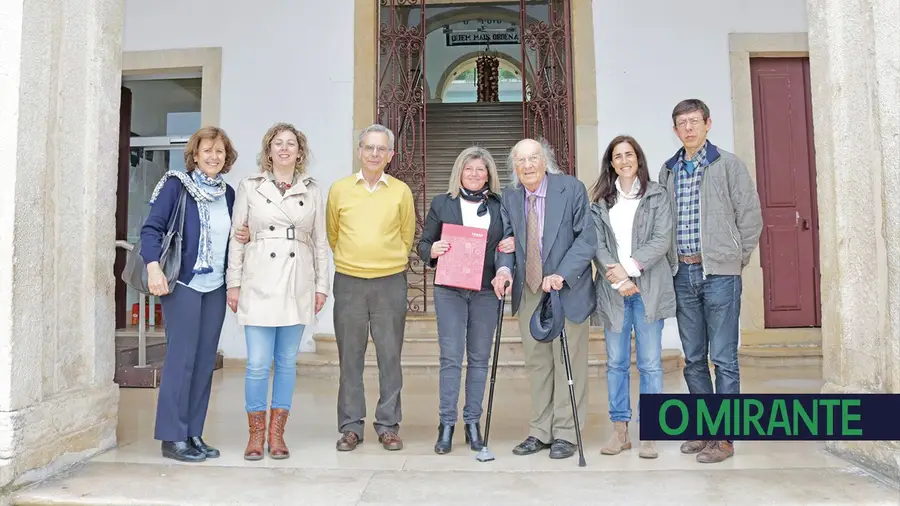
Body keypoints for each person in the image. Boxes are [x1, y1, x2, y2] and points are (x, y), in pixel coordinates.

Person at [650, 98, 762, 463]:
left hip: (720, 274)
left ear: (708, 124)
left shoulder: (727, 164)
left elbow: (750, 216)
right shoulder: (668, 171)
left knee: (724, 358)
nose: (689, 128)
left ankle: (725, 438)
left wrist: (735, 257)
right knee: (694, 357)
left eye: (694, 121)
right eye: (681, 122)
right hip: (682, 272)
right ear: (675, 129)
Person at [227, 123, 329, 461]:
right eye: (277, 143)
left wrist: (321, 286)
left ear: (300, 152)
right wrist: (234, 282)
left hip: (298, 281)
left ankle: (277, 434)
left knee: (286, 362)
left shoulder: (312, 189)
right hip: (259, 279)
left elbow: (320, 243)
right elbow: (236, 237)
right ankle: (256, 434)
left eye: (291, 144)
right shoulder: (250, 186)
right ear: (268, 151)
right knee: (257, 363)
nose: (284, 149)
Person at [491, 138, 597, 460]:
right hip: (530, 291)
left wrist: (561, 274)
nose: (527, 166)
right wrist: (504, 270)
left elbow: (587, 239)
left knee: (568, 361)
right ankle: (540, 430)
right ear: (514, 167)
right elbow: (506, 243)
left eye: (533, 158)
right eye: (520, 161)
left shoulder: (571, 188)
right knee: (538, 364)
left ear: (545, 160)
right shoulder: (510, 198)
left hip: (565, 288)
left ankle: (566, 432)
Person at [140, 126, 237, 462]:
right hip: (182, 285)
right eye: (207, 150)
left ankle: (193, 432)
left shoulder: (228, 194)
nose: (213, 156)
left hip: (215, 289)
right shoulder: (176, 185)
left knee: (204, 363)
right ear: (195, 155)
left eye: (220, 152)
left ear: (227, 158)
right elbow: (151, 228)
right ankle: (172, 437)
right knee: (181, 361)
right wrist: (153, 266)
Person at [416, 146, 513, 455]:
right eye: (469, 169)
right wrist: (432, 251)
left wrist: (506, 258)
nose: (474, 174)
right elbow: (423, 244)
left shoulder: (500, 206)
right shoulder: (442, 203)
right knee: (451, 358)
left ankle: (473, 422)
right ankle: (446, 424)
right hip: (450, 290)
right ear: (459, 172)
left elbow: (505, 246)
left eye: (480, 170)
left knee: (480, 359)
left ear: (489, 175)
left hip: (486, 290)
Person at [326, 124, 416, 452]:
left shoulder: (401, 191)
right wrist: (355, 258)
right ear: (359, 150)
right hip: (349, 281)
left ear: (390, 155)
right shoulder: (339, 190)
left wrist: (386, 259)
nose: (374, 154)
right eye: (369, 147)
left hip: (390, 281)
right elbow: (332, 233)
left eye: (381, 149)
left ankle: (388, 425)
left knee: (389, 356)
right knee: (350, 356)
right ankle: (351, 426)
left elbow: (407, 235)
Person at [590, 135, 675, 460]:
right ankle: (621, 432)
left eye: (629, 154)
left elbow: (661, 240)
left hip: (648, 289)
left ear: (638, 158)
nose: (624, 160)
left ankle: (650, 434)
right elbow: (597, 245)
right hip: (614, 293)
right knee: (616, 364)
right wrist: (617, 279)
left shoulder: (657, 195)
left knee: (651, 365)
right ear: (611, 163)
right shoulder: (601, 201)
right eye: (617, 156)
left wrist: (626, 269)